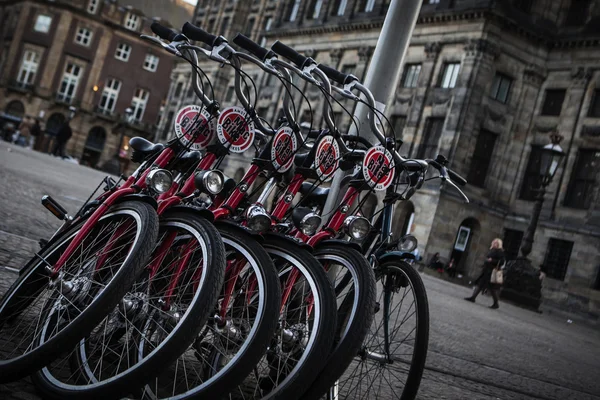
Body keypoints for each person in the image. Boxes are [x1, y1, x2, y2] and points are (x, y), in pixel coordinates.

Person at [464, 238, 505, 309]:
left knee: (492, 288)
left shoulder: (499, 252)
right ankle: (473, 297)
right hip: (487, 270)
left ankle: (496, 303)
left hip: (492, 272)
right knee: (480, 284)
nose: (494, 243)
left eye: (495, 243)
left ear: (498, 244)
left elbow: (501, 261)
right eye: (494, 242)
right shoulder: (492, 250)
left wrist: (492, 260)